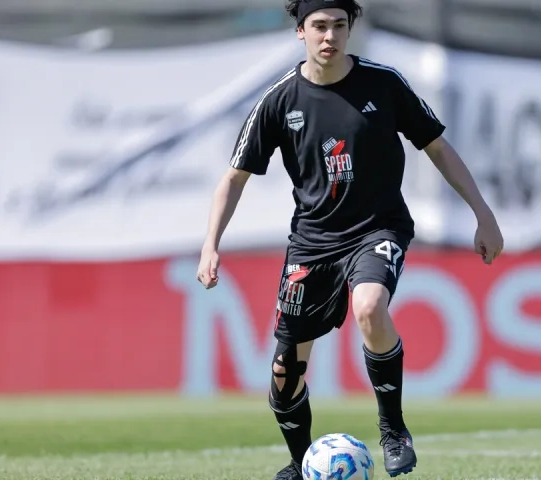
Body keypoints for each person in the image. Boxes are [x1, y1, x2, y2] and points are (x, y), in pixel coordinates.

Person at [195, 0, 504, 478]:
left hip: (377, 228)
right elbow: (234, 178)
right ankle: (302, 464)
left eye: (340, 25)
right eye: (319, 26)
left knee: (369, 308)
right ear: (301, 31)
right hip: (312, 244)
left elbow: (437, 146)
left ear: (350, 28)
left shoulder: (384, 83)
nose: (330, 36)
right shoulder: (279, 100)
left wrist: (483, 213)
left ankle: (393, 428)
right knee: (284, 375)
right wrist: (211, 243)